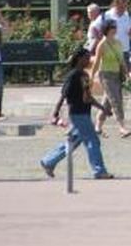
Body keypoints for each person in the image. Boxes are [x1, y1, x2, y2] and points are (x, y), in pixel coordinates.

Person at [40, 46, 114, 180]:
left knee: (73, 142)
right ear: (80, 59)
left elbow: (75, 96)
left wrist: (56, 111)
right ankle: (99, 170)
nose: (89, 60)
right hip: (79, 114)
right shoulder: (79, 75)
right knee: (93, 141)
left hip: (77, 113)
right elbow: (78, 97)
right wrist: (103, 109)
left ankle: (48, 161)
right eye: (87, 57)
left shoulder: (77, 74)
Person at [91, 19, 131, 138]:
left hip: (117, 74)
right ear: (107, 29)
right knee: (116, 100)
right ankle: (122, 127)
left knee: (107, 103)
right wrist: (91, 76)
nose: (115, 29)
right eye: (112, 27)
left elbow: (122, 61)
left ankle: (97, 126)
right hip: (105, 75)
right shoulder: (102, 44)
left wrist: (127, 75)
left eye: (115, 27)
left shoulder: (118, 43)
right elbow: (96, 62)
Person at [103, 0, 131, 65]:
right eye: (122, 6)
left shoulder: (128, 15)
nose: (124, 8)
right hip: (111, 49)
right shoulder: (107, 15)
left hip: (124, 49)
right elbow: (101, 30)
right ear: (116, 4)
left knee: (125, 74)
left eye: (125, 6)